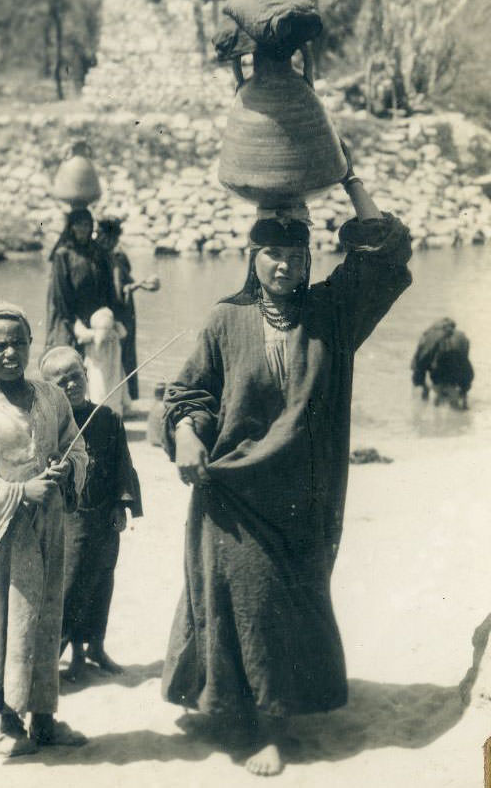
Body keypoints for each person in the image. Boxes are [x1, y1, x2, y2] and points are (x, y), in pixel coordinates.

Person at [161, 147, 412, 777]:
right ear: (253, 256)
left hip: (306, 496)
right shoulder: (225, 319)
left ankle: (267, 709)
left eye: (296, 254)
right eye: (272, 252)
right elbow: (188, 395)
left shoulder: (332, 314)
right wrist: (188, 435)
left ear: (308, 260)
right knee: (251, 600)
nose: (283, 264)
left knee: (290, 604)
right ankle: (258, 727)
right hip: (235, 494)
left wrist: (352, 182)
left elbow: (383, 255)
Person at [0, 302, 88, 758]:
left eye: (19, 343)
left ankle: (45, 719)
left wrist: (65, 470)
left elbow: (75, 444)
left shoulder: (52, 397)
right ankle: (9, 722)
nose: (10, 353)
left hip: (49, 527)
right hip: (3, 537)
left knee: (48, 617)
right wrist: (18, 491)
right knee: (7, 623)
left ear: (31, 345)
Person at [40, 346, 143, 683]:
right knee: (71, 587)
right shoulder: (50, 427)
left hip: (104, 517)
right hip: (72, 520)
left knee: (102, 581)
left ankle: (94, 648)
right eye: (61, 382)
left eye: (75, 376)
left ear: (86, 373)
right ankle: (63, 658)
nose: (71, 385)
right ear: (49, 389)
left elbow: (122, 466)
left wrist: (121, 505)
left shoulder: (108, 418)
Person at [96, 217, 160, 405]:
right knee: (124, 354)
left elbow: (120, 286)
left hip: (119, 311)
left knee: (119, 355)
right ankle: (127, 398)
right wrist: (138, 285)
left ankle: (123, 399)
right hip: (121, 311)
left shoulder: (112, 256)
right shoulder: (112, 256)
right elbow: (121, 287)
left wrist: (136, 286)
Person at [46, 208, 118, 353]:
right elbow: (60, 293)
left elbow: (108, 286)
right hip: (69, 321)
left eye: (86, 225)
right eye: (78, 225)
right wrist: (74, 323)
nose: (83, 229)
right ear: (71, 227)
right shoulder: (63, 255)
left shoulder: (98, 253)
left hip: (94, 319)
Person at [411, 318, 474, 409]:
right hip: (456, 373)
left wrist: (423, 386)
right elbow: (466, 368)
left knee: (439, 397)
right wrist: (463, 392)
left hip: (442, 372)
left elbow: (419, 365)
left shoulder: (428, 337)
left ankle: (433, 396)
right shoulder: (462, 337)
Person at [81, 306, 129, 416]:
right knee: (110, 392)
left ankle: (101, 414)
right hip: (112, 369)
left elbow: (94, 351)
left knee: (99, 391)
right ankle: (112, 414)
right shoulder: (114, 334)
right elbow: (124, 333)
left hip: (99, 369)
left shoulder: (96, 336)